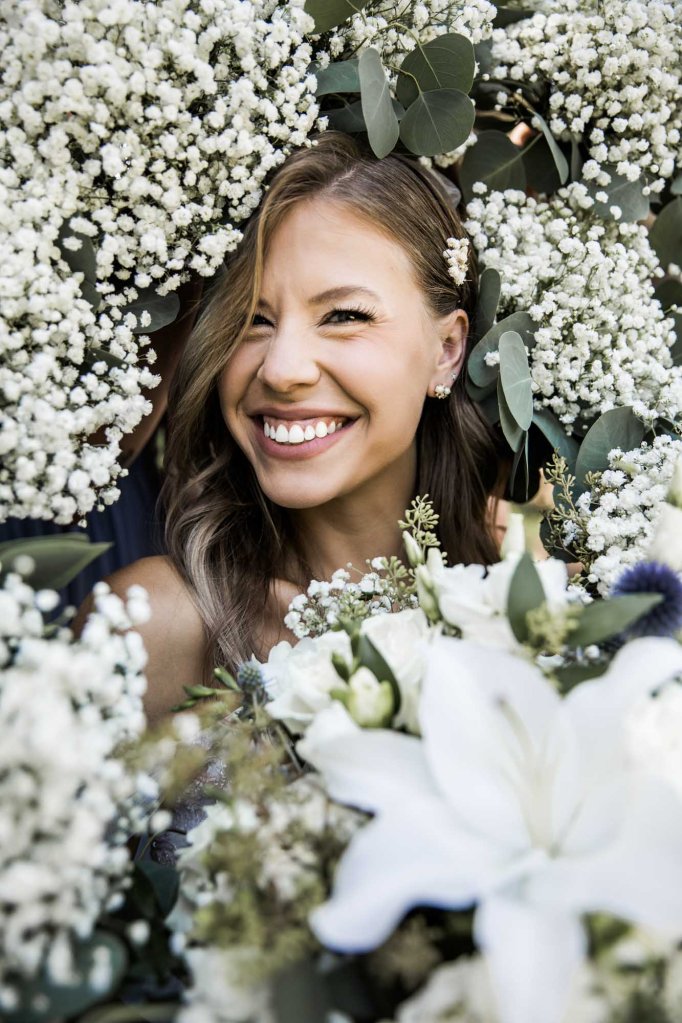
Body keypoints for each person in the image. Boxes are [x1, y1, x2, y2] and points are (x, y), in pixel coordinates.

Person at [97, 132, 502, 722]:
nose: (282, 369)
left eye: (343, 316)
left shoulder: (531, 609)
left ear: (447, 348)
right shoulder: (152, 625)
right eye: (252, 322)